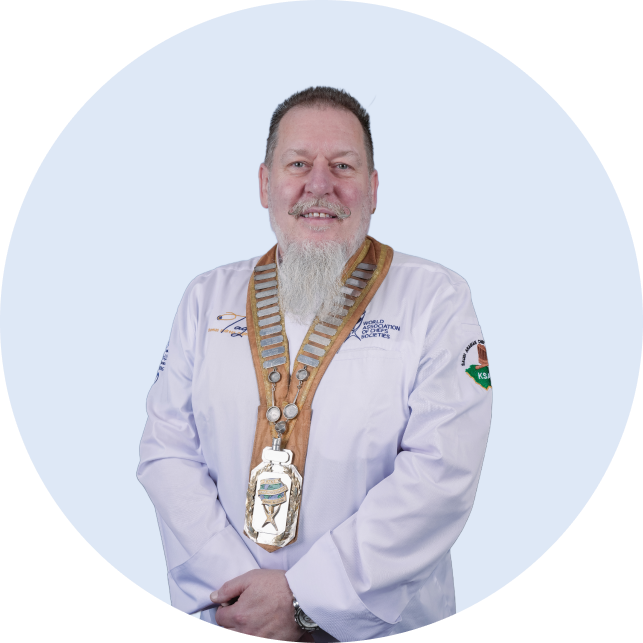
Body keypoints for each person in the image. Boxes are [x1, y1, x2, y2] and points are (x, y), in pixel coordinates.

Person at [137, 86, 492, 641]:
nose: (319, 185)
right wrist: (242, 594)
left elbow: (440, 475)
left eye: (343, 165)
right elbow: (167, 452)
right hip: (231, 616)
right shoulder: (206, 298)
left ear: (373, 188)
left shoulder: (436, 299)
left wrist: (305, 600)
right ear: (265, 184)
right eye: (298, 163)